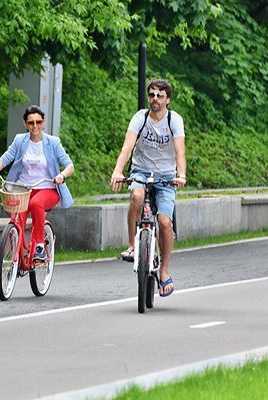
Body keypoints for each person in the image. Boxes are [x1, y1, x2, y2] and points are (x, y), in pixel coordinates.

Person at [109, 78, 187, 297]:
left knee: (164, 221)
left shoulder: (174, 120)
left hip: (166, 176)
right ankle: (133, 245)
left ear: (167, 99)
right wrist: (117, 170)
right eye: (152, 95)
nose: (155, 99)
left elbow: (180, 151)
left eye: (160, 96)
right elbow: (127, 147)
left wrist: (181, 175)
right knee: (136, 195)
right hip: (141, 171)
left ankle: (164, 270)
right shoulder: (140, 118)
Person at [0, 105, 74, 263]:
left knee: (36, 204)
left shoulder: (53, 142)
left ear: (43, 122)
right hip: (23, 189)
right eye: (31, 122)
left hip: (48, 187)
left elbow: (70, 166)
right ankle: (16, 254)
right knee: (16, 219)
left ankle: (39, 246)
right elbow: (6, 158)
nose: (35, 126)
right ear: (25, 124)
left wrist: (61, 175)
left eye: (38, 122)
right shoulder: (20, 140)